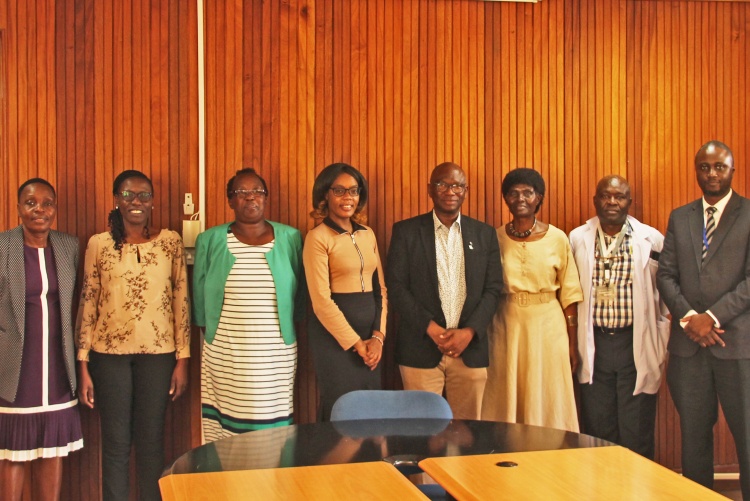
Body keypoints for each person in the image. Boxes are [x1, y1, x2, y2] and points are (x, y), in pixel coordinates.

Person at [76, 170, 190, 501]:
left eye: (143, 196)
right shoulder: (99, 244)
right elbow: (88, 303)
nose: (136, 202)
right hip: (108, 358)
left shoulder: (170, 242)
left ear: (153, 201)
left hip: (159, 356)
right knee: (115, 444)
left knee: (152, 442)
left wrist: (183, 359)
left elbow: (181, 301)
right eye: (128, 195)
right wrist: (83, 365)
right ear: (116, 200)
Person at [657, 140, 750, 498]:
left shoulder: (747, 213)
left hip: (736, 346)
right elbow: (665, 275)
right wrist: (690, 319)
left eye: (719, 167)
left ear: (732, 170)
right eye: (705, 167)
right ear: (696, 171)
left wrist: (711, 317)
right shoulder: (681, 217)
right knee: (694, 438)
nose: (711, 173)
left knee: (746, 436)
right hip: (688, 348)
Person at [193, 168, 304, 442]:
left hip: (276, 354)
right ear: (230, 201)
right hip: (225, 352)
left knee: (272, 429)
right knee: (227, 432)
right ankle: (226, 483)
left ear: (266, 198)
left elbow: (300, 293)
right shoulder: (209, 240)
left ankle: (271, 484)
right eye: (241, 193)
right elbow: (198, 297)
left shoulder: (290, 238)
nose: (250, 197)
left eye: (257, 191)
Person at [387, 162, 502, 420]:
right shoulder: (406, 232)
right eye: (442, 184)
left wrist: (469, 332)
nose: (451, 191)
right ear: (430, 189)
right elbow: (396, 287)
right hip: (420, 346)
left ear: (466, 191)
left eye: (457, 185)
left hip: (469, 350)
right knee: (420, 434)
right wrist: (431, 329)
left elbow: (493, 289)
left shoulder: (485, 234)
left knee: (468, 435)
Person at [569, 175, 669, 458]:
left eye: (619, 196)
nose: (612, 201)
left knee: (636, 431)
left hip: (634, 342)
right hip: (595, 344)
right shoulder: (577, 238)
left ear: (629, 202)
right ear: (595, 200)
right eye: (605, 195)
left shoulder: (651, 239)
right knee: (599, 432)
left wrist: (663, 336)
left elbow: (665, 292)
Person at [481, 168, 582, 432]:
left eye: (528, 192)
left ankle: (549, 456)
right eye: (513, 193)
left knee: (547, 391)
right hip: (506, 324)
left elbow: (570, 294)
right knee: (506, 390)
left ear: (540, 198)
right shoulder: (495, 238)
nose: (521, 198)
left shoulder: (558, 238)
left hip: (548, 326)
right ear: (505, 199)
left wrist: (573, 342)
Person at [0, 179, 83, 501]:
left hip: (57, 367)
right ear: (19, 208)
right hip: (13, 370)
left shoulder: (67, 246)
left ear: (55, 209)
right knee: (13, 452)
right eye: (31, 203)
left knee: (52, 450)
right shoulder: (3, 245)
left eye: (47, 203)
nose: (39, 210)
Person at [303, 163, 387, 421]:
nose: (347, 197)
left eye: (353, 190)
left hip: (370, 340)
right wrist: (356, 343)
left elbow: (380, 290)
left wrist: (378, 337)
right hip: (334, 340)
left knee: (371, 412)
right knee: (342, 410)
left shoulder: (367, 234)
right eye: (339, 190)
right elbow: (321, 302)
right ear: (324, 195)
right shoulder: (317, 238)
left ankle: (369, 463)